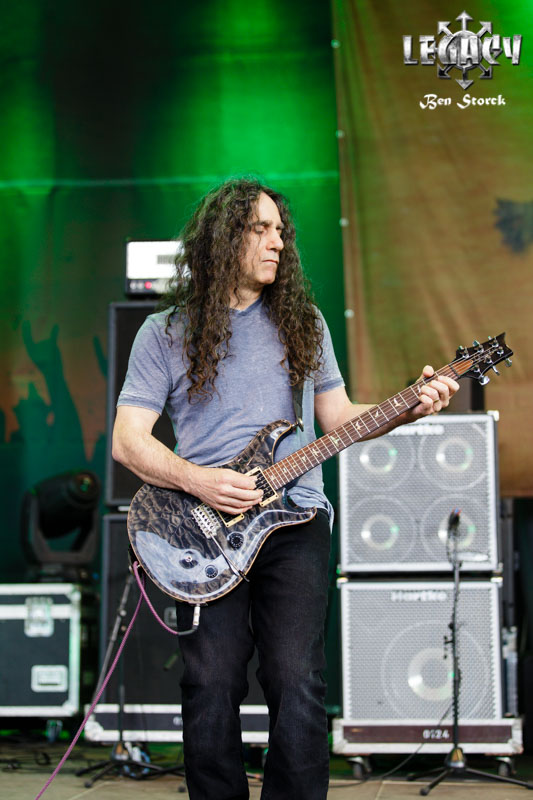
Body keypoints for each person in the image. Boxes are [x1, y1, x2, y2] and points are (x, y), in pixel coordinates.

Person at [112, 177, 459, 800]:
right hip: (205, 532)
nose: (278, 242)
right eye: (261, 229)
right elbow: (128, 441)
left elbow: (339, 418)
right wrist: (200, 481)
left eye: (281, 231)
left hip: (296, 518)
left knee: (297, 678)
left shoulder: (304, 324)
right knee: (211, 681)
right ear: (224, 238)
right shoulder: (164, 333)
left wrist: (409, 406)